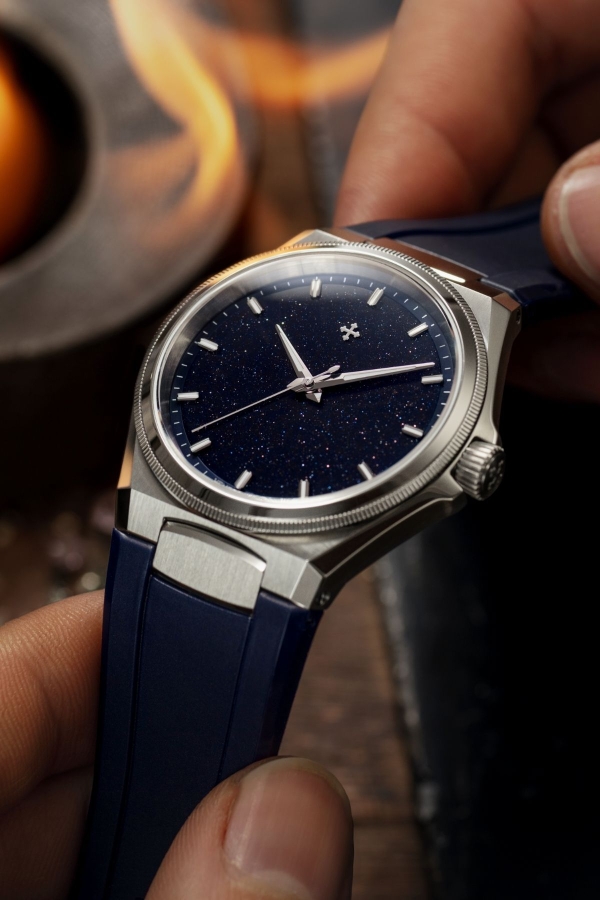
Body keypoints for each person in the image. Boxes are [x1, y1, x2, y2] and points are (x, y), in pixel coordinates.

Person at [1, 1, 597, 896]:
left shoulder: (465, 358)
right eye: (305, 377)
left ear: (466, 460)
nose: (311, 385)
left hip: (271, 555)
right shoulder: (275, 298)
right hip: (177, 506)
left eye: (317, 382)